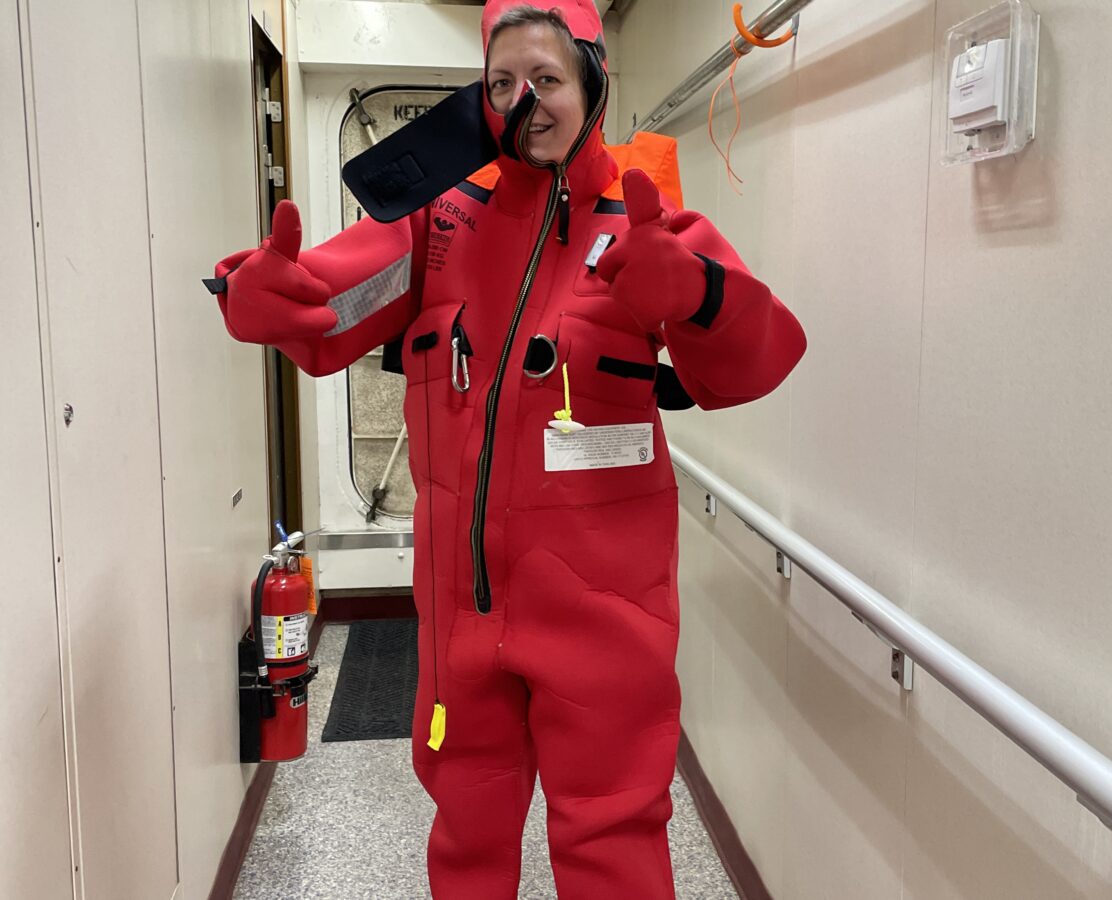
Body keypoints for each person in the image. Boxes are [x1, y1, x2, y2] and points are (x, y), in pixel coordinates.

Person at [209, 1, 806, 896]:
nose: (527, 99)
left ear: (593, 83)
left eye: (550, 77)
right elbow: (323, 301)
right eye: (502, 82)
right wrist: (261, 296)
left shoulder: (643, 222)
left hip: (607, 619)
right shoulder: (435, 224)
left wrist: (695, 293)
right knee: (466, 837)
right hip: (462, 622)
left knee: (613, 842)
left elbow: (763, 356)